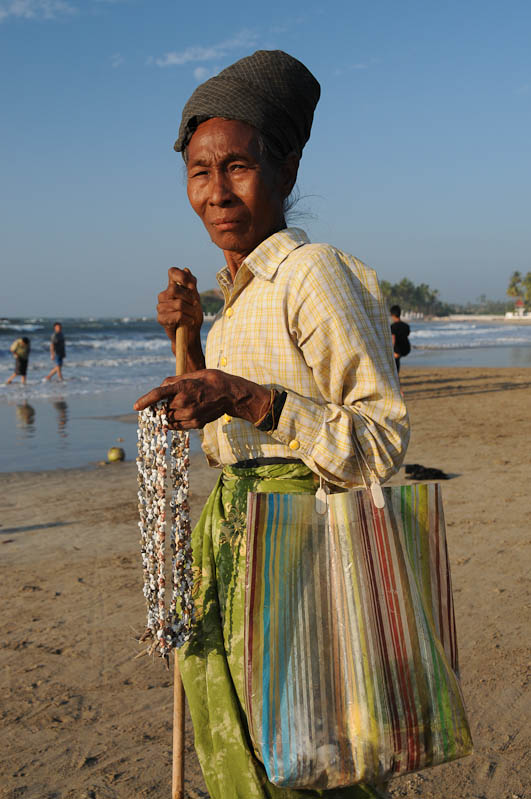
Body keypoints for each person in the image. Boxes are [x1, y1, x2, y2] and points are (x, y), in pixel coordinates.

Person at [135, 50, 409, 799]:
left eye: (237, 166)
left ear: (285, 170)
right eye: (199, 170)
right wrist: (189, 340)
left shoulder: (311, 272)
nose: (215, 191)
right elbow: (220, 424)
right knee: (251, 756)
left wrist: (255, 399)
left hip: (302, 554)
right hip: (234, 544)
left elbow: (381, 439)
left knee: (309, 757)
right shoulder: (240, 294)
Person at [390, 304, 411, 374]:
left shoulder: (392, 327)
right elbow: (407, 334)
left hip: (398, 348)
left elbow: (393, 339)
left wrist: (392, 349)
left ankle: (396, 374)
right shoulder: (406, 326)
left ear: (392, 315)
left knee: (395, 357)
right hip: (406, 347)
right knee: (396, 357)